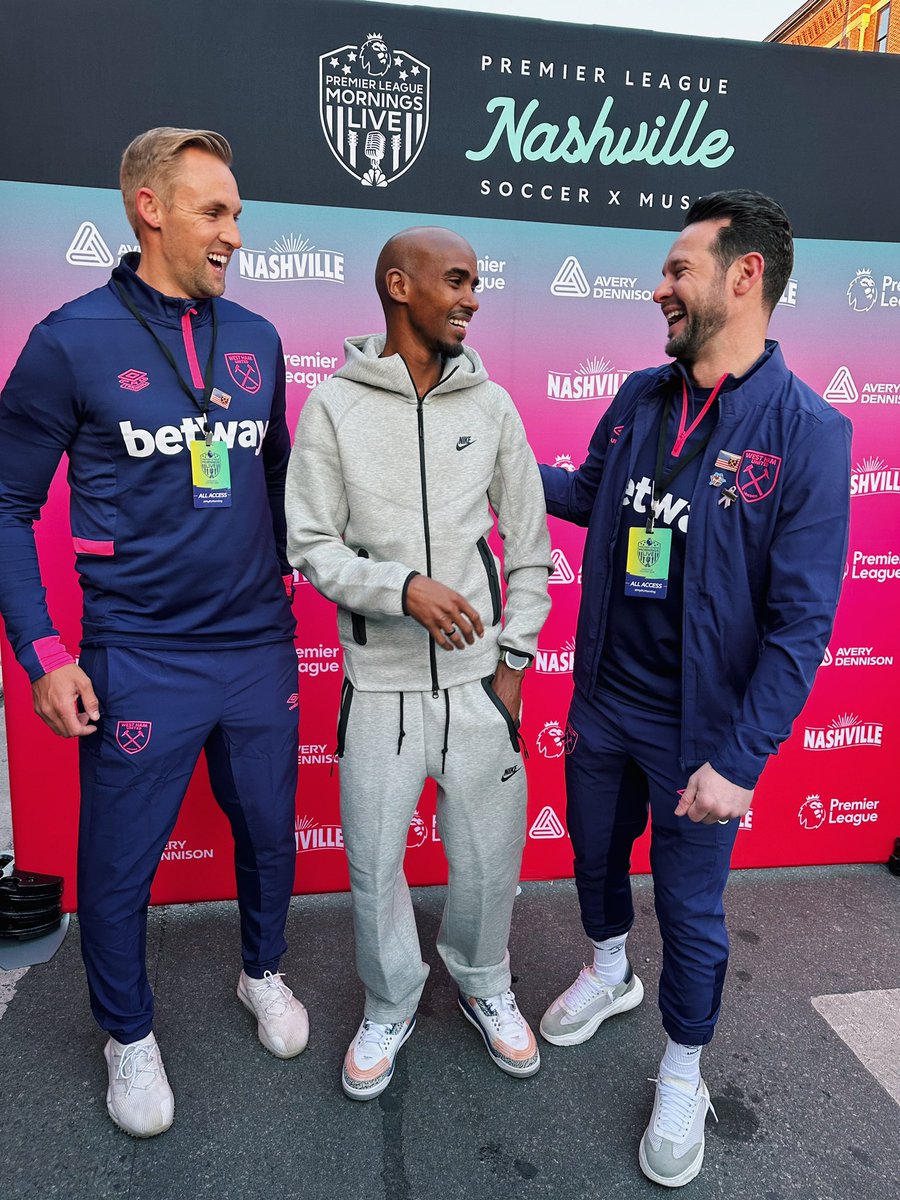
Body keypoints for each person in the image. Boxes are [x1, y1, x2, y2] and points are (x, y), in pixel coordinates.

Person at [0, 127, 309, 1138]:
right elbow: (6, 503)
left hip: (257, 647)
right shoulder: (69, 338)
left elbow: (270, 474)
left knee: (268, 833)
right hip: (139, 654)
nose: (234, 234)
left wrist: (294, 568)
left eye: (237, 215)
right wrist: (45, 652)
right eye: (215, 212)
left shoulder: (257, 339)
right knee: (120, 865)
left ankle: (261, 971)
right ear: (150, 208)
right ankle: (125, 1035)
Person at [538, 190, 851, 1187]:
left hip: (702, 735)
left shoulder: (808, 433)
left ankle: (683, 1072)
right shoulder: (640, 395)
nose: (660, 287)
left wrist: (742, 757)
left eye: (679, 269)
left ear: (743, 276)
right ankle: (608, 970)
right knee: (592, 858)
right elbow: (591, 494)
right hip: (604, 703)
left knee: (694, 912)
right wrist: (497, 458)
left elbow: (802, 625)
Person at [285, 227, 552, 1099]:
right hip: (379, 692)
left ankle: (485, 985)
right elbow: (311, 546)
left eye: (476, 283)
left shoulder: (494, 406)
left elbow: (531, 547)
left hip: (479, 692)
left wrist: (512, 663)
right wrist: (402, 589)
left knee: (487, 861)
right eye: (457, 281)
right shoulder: (334, 406)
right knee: (372, 866)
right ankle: (390, 1002)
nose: (473, 297)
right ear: (400, 286)